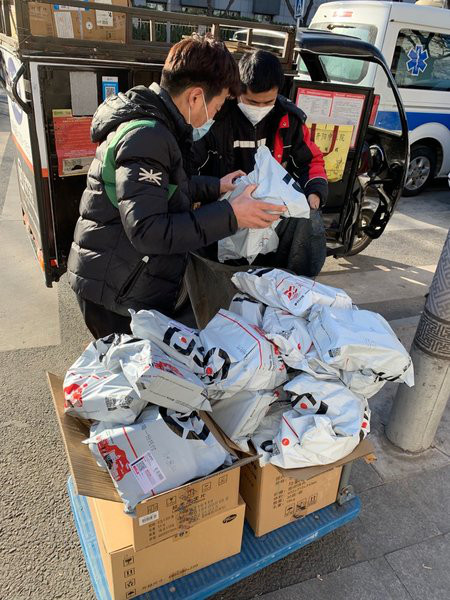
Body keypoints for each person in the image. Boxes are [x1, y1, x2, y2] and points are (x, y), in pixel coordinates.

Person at [67, 36, 286, 339]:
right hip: (117, 292)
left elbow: (164, 188)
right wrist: (231, 215)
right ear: (196, 97)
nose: (216, 114)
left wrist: (216, 187)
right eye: (218, 105)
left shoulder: (159, 124)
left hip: (125, 279)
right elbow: (148, 231)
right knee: (126, 364)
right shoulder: (147, 136)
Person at [192, 50, 328, 274]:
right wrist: (200, 194)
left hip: (273, 210)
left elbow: (311, 159)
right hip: (222, 207)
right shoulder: (216, 117)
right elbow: (190, 164)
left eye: (268, 102)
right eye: (252, 102)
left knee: (310, 220)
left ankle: (292, 283)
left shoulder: (289, 119)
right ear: (237, 91)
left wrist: (315, 191)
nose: (260, 108)